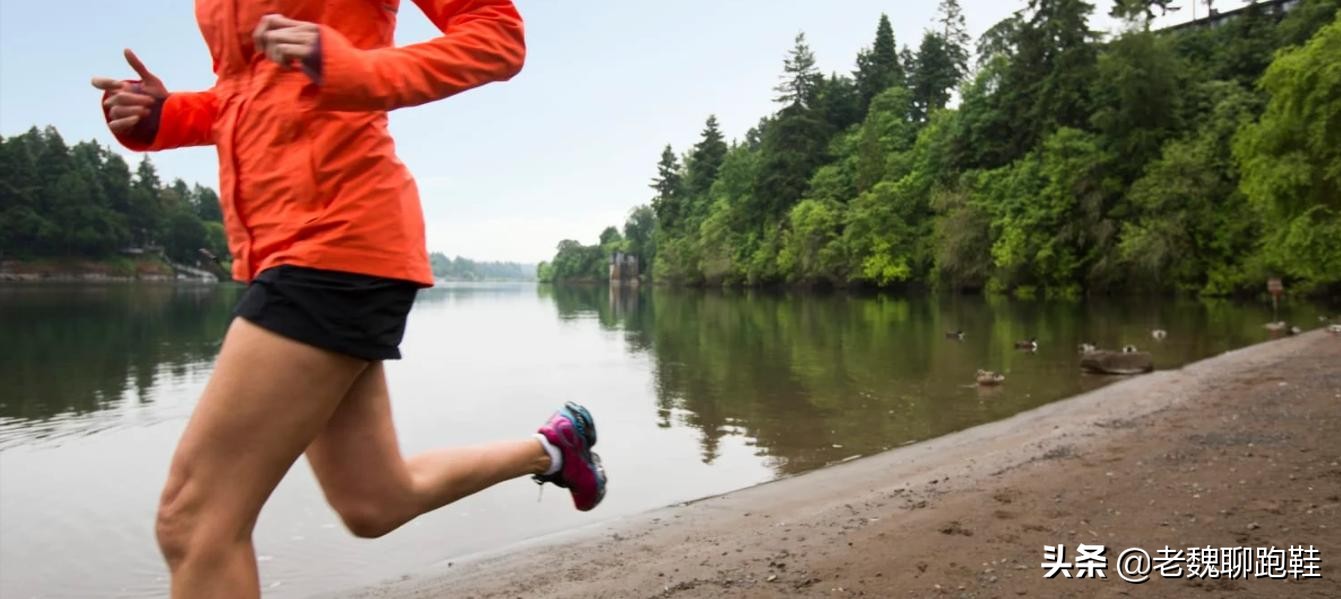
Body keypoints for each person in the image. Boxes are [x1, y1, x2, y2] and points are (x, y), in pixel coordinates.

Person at [91, 2, 606, 597]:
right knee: (375, 501)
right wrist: (164, 116)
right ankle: (553, 448)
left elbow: (497, 37)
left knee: (194, 519)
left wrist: (350, 67)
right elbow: (255, 93)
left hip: (338, 238)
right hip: (283, 249)